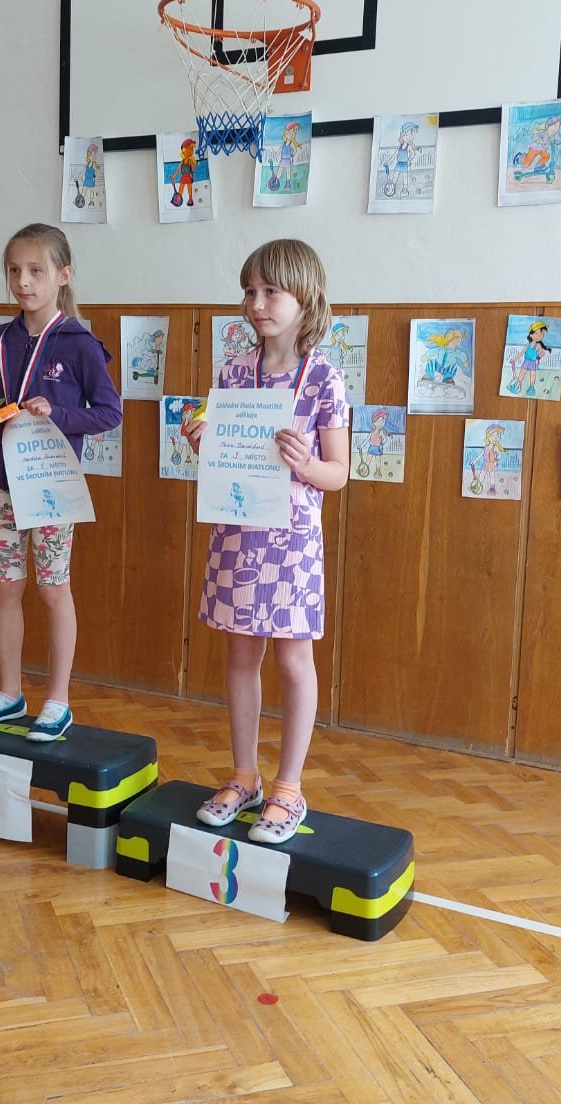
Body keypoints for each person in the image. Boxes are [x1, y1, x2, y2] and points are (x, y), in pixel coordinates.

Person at [182, 238, 350, 844]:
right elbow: (224, 450)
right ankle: (244, 776)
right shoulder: (233, 372)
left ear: (305, 296)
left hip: (294, 543)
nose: (256, 304)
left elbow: (339, 473)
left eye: (270, 292)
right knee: (240, 656)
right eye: (250, 291)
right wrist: (202, 441)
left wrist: (306, 463)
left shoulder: (324, 377)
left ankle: (289, 787)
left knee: (293, 660)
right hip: (237, 533)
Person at [0, 223, 122, 741]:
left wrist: (58, 413)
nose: (23, 281)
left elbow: (109, 412)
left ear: (63, 275)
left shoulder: (80, 343)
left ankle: (58, 699)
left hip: (51, 485)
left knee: (52, 588)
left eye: (36, 271)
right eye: (15, 270)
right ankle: (9, 692)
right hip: (1, 481)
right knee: (5, 586)